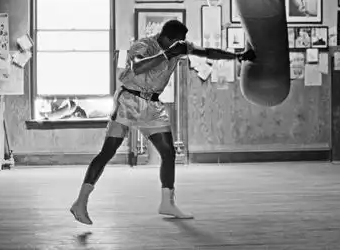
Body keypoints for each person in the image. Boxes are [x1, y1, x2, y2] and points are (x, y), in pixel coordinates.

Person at [70, 20, 256, 225]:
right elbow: (137, 66)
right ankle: (80, 202)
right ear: (167, 38)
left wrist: (237, 56)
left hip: (152, 106)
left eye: (182, 41)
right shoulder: (144, 45)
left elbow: (207, 52)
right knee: (108, 151)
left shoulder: (179, 47)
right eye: (178, 41)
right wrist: (167, 54)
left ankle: (167, 202)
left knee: (168, 152)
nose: (181, 44)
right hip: (129, 100)